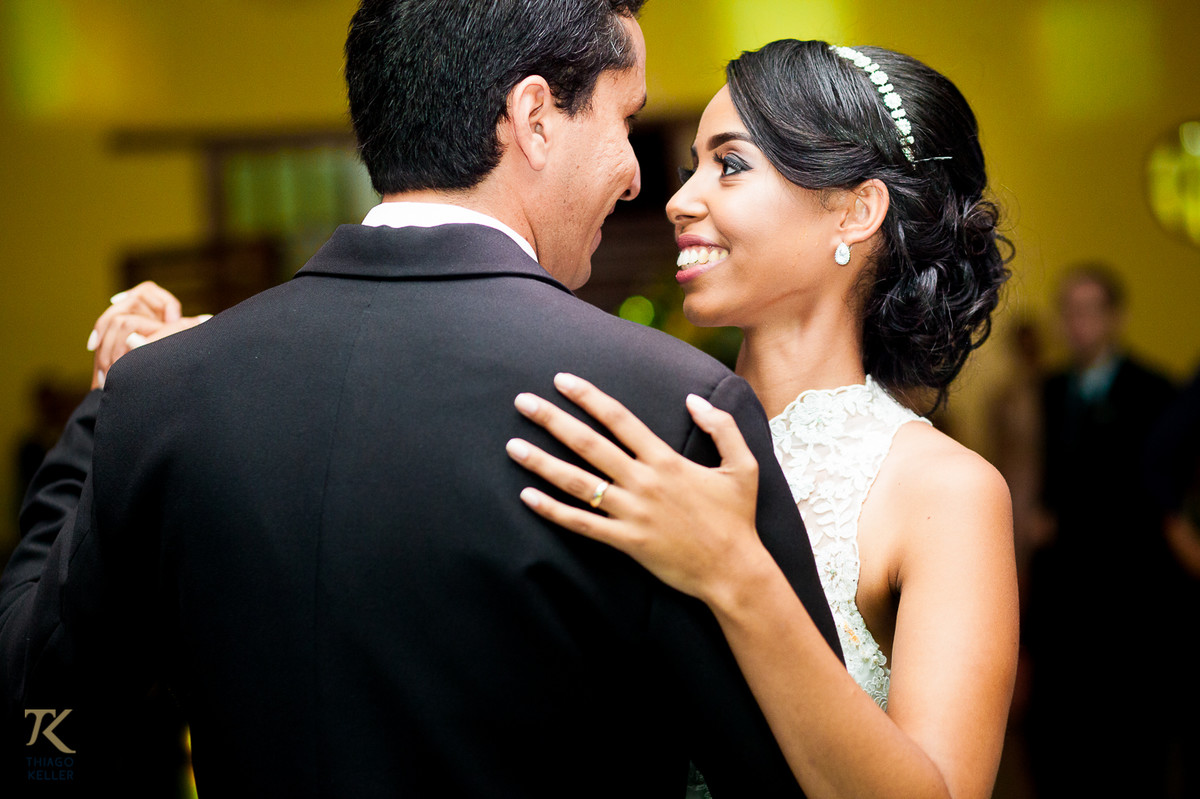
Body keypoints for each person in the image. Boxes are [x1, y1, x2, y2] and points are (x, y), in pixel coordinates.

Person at [0, 3, 843, 796]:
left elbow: (41, 697)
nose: (633, 177)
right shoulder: (674, 410)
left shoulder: (167, 392)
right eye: (625, 121)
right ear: (535, 117)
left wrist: (113, 401)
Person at [505, 39, 1019, 799]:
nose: (680, 199)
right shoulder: (643, 433)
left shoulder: (944, 491)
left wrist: (733, 569)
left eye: (730, 164)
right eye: (692, 166)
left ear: (854, 210)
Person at [1024, 264, 1178, 797]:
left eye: (1090, 311)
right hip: (1061, 602)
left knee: (1130, 749)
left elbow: (1159, 500)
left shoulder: (1157, 392)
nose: (1079, 324)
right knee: (1060, 746)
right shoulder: (1041, 393)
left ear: (1116, 317)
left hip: (1130, 600)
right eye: (1069, 311)